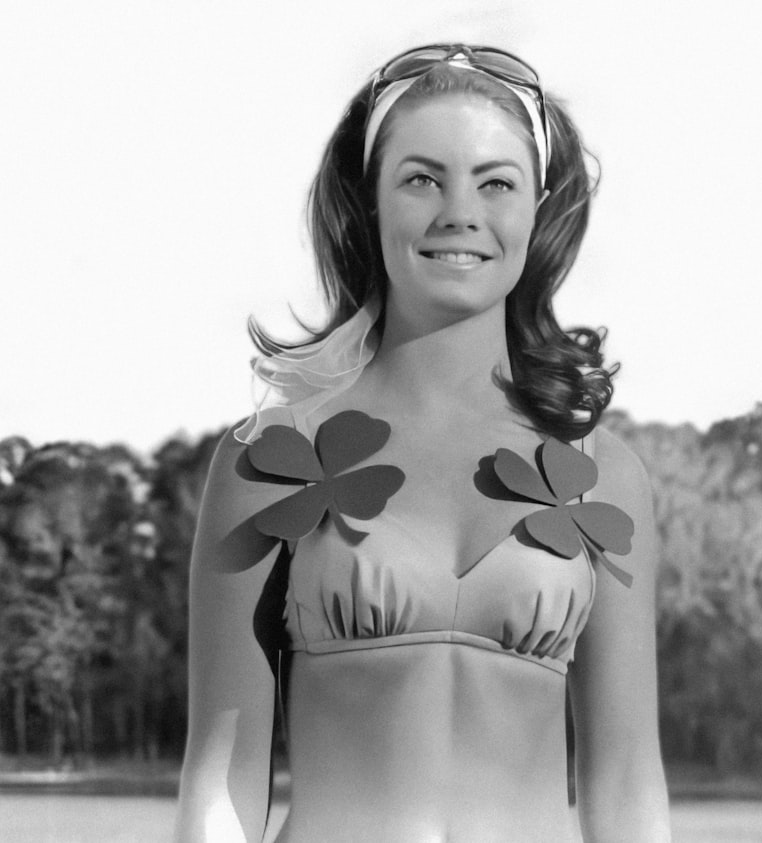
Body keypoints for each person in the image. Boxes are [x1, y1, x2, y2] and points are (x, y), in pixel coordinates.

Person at [173, 44, 670, 843]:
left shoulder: (603, 477)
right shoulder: (269, 459)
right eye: (421, 178)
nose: (458, 211)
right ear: (368, 202)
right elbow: (221, 774)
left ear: (539, 208)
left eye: (496, 182)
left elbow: (626, 777)